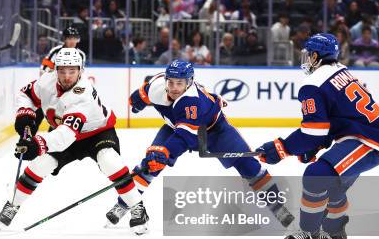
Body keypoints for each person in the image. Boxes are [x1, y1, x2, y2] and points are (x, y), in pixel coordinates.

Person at [105, 60, 292, 228]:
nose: (174, 87)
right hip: (177, 126)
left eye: (180, 83)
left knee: (249, 166)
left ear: (190, 82)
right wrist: (136, 102)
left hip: (215, 130)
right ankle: (124, 204)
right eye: (171, 82)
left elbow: (185, 137)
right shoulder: (157, 86)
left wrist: (165, 153)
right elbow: (140, 95)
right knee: (150, 164)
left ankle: (278, 207)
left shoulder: (191, 102)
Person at [256, 33, 379, 239]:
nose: (306, 59)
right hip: (368, 135)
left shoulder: (312, 84)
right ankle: (334, 232)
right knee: (333, 183)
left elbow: (314, 132)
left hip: (366, 141)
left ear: (316, 56)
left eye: (309, 55)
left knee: (316, 176)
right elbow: (334, 122)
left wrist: (281, 148)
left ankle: (306, 234)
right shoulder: (340, 71)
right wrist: (313, 146)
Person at [0, 48, 149, 234]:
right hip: (63, 130)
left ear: (81, 70)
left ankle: (137, 207)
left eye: (72, 71)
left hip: (97, 133)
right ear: (56, 70)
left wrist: (37, 145)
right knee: (41, 165)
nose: (67, 76)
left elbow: (65, 137)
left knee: (109, 160)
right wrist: (25, 115)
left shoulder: (82, 93)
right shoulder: (47, 81)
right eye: (62, 70)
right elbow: (26, 95)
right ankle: (13, 204)